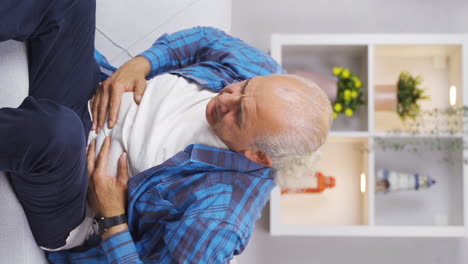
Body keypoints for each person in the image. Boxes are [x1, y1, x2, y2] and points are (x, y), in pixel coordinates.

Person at [0, 0, 332, 263]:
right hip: (89, 94)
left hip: (74, 204)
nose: (227, 97)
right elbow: (206, 40)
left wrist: (111, 217)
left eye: (239, 114)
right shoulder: (265, 77)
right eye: (242, 87)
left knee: (58, 130)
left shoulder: (219, 220)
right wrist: (139, 65)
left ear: (258, 155)